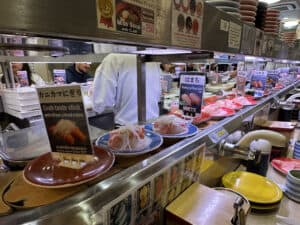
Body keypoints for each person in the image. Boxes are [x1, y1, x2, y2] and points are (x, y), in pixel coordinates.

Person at [92, 53, 161, 125]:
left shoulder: (113, 59)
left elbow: (101, 103)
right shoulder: (152, 59)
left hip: (127, 127)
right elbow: (157, 95)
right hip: (153, 124)